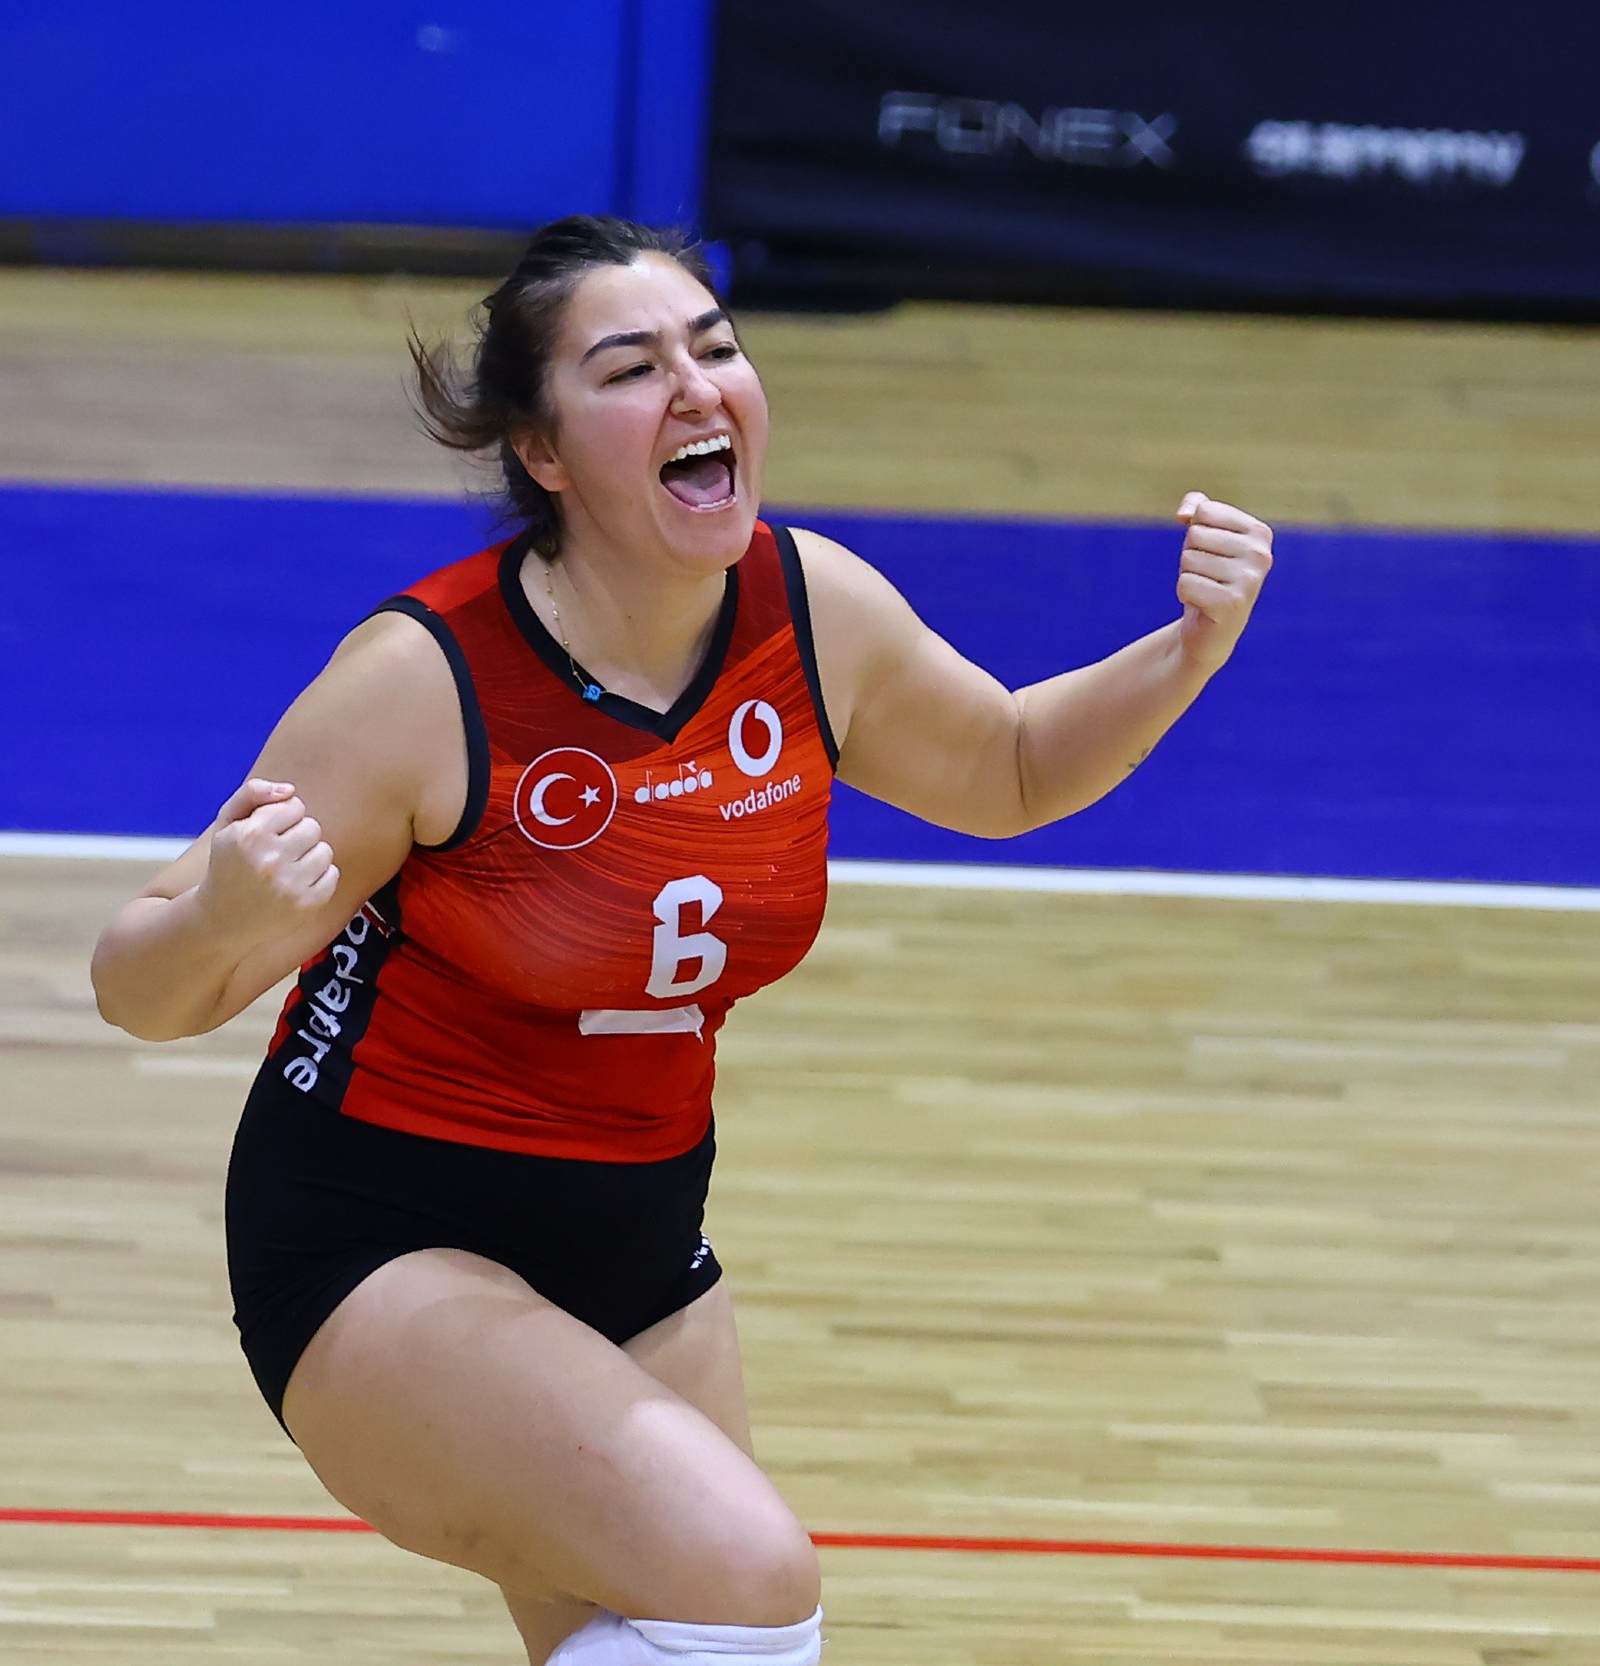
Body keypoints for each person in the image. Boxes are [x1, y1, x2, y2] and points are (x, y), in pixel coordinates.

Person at [91, 215, 1273, 1666]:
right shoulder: (424, 683)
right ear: (542, 452)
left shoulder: (810, 611)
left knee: (701, 1630)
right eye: (632, 368)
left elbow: (1012, 767)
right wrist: (227, 913)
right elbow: (141, 984)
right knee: (748, 1581)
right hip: (381, 1245)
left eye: (714, 348)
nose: (697, 387)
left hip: (640, 1244)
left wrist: (1188, 650)